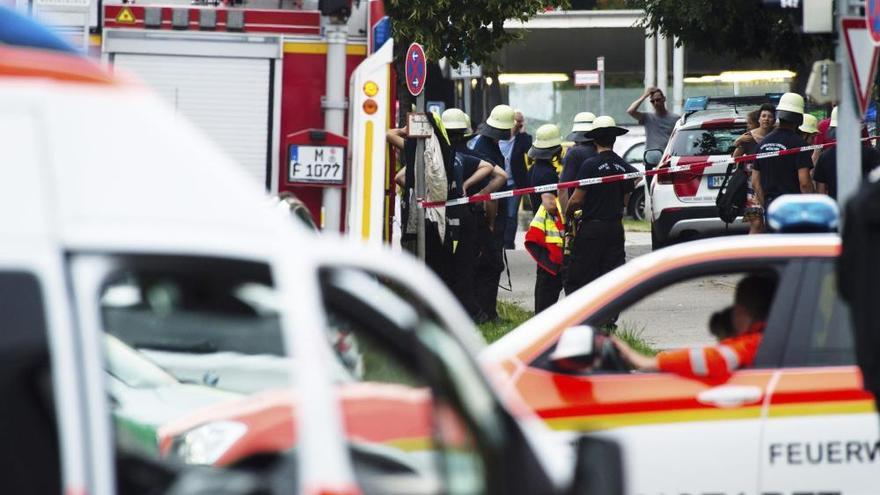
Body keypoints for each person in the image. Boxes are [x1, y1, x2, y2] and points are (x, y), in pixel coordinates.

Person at [613, 275, 778, 381]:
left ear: (742, 311)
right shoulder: (774, 335)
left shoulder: (758, 342)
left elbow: (717, 358)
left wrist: (645, 361)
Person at [441, 108, 506, 322]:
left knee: (455, 265)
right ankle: (481, 312)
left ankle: (469, 312)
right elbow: (500, 177)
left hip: (441, 218)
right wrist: (479, 195)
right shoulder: (475, 157)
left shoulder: (436, 157)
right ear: (467, 132)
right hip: (474, 217)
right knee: (487, 263)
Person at [564, 116, 637, 295]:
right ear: (614, 139)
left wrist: (568, 215)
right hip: (615, 228)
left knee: (581, 273)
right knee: (613, 274)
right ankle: (610, 317)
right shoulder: (623, 166)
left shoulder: (589, 165)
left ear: (594, 139)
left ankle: (584, 314)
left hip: (592, 229)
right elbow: (627, 200)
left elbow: (576, 199)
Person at [468, 104, 516, 321]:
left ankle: (486, 311)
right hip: (490, 214)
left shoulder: (486, 144)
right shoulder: (485, 149)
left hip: (493, 212)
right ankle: (486, 312)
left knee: (489, 263)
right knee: (491, 263)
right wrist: (491, 221)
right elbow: (490, 192)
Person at [523, 124, 564, 313]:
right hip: (550, 235)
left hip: (544, 234)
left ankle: (540, 316)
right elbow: (549, 203)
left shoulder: (535, 169)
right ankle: (544, 320)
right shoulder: (547, 173)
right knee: (549, 280)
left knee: (544, 278)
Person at [752, 92, 814, 211]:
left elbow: (755, 182)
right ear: (799, 118)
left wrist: (767, 206)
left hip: (772, 206)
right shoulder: (800, 144)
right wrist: (810, 206)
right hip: (794, 207)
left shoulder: (762, 144)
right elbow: (805, 182)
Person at [813, 106, 880, 200]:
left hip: (837, 209)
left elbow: (821, 192)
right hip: (863, 210)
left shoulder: (825, 157)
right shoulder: (871, 155)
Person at [732, 104, 775, 234]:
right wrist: (738, 142)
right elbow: (735, 157)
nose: (766, 119)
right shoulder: (748, 137)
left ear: (774, 119)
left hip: (772, 185)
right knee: (756, 223)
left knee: (771, 224)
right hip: (752, 188)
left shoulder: (777, 134)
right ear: (759, 119)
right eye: (764, 116)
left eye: (770, 116)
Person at [498, 110, 532, 249]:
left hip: (514, 183)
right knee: (500, 213)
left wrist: (523, 132)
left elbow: (529, 151)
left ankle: (508, 244)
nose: (519, 123)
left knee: (511, 215)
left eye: (521, 121)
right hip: (498, 182)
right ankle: (498, 242)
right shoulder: (498, 137)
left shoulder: (522, 138)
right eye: (517, 121)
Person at [559, 111, 597, 213]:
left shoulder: (573, 153)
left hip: (580, 213)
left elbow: (563, 188)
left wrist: (565, 216)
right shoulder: (603, 151)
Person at [627, 86, 680, 153]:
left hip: (668, 156)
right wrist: (645, 95)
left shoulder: (676, 118)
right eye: (652, 101)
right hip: (651, 158)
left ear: (664, 99)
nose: (655, 103)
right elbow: (630, 111)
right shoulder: (647, 117)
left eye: (658, 100)